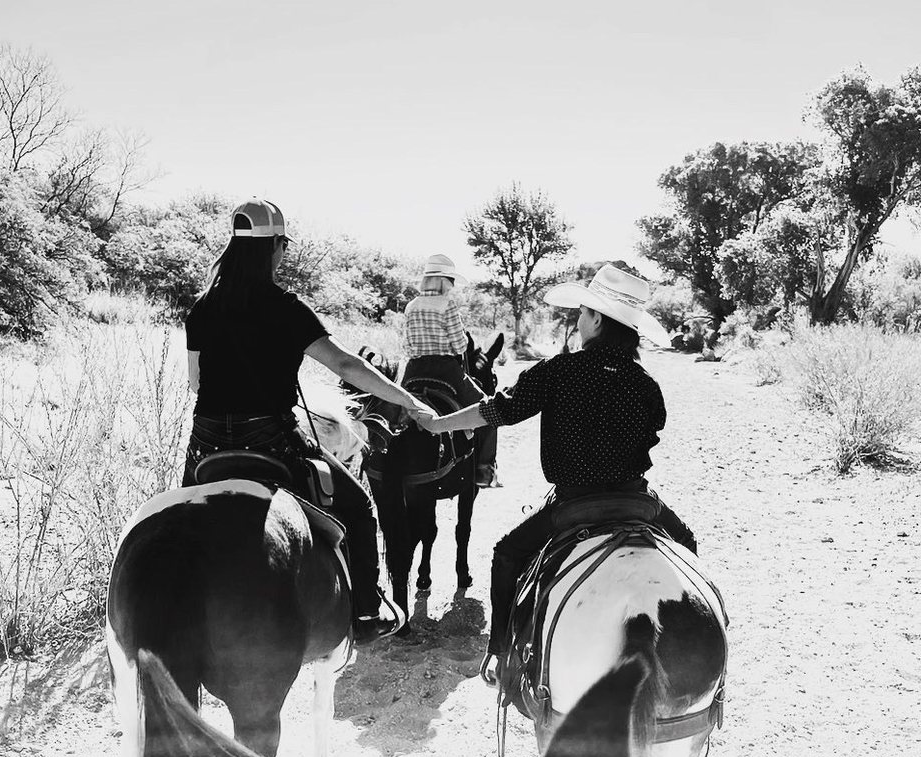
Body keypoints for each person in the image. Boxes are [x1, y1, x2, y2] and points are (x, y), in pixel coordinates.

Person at [417, 263, 698, 666]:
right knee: (686, 545)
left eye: (583, 313)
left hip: (574, 503)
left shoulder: (559, 371)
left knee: (507, 555)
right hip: (636, 500)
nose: (579, 320)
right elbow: (652, 433)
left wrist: (439, 423)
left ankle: (500, 654)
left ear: (597, 319)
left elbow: (497, 412)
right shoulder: (646, 383)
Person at [183, 198, 434, 644]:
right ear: (275, 247)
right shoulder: (286, 307)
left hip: (206, 444)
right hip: (270, 440)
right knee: (359, 511)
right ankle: (364, 614)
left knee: (179, 520)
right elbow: (346, 366)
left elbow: (194, 383)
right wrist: (407, 399)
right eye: (283, 245)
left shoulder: (202, 308)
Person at [402, 254, 497, 487]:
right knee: (489, 409)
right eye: (451, 281)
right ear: (444, 281)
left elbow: (406, 345)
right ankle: (485, 468)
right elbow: (460, 345)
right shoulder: (448, 305)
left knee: (391, 410)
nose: (453, 286)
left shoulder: (411, 306)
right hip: (445, 369)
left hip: (413, 369)